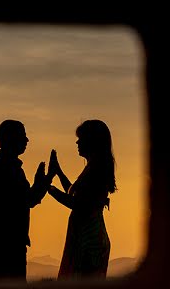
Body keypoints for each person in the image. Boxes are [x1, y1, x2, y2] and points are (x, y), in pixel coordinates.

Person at [0, 119, 51, 283]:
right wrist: (43, 182)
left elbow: (24, 200)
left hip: (2, 242)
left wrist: (43, 182)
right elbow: (27, 201)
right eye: (22, 136)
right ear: (10, 139)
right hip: (6, 244)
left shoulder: (4, 167)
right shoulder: (7, 169)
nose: (27, 140)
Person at [47, 119, 117, 280]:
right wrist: (58, 172)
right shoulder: (95, 167)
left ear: (92, 141)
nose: (77, 142)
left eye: (81, 138)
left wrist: (48, 188)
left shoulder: (96, 169)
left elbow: (77, 204)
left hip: (89, 242)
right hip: (89, 238)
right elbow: (76, 194)